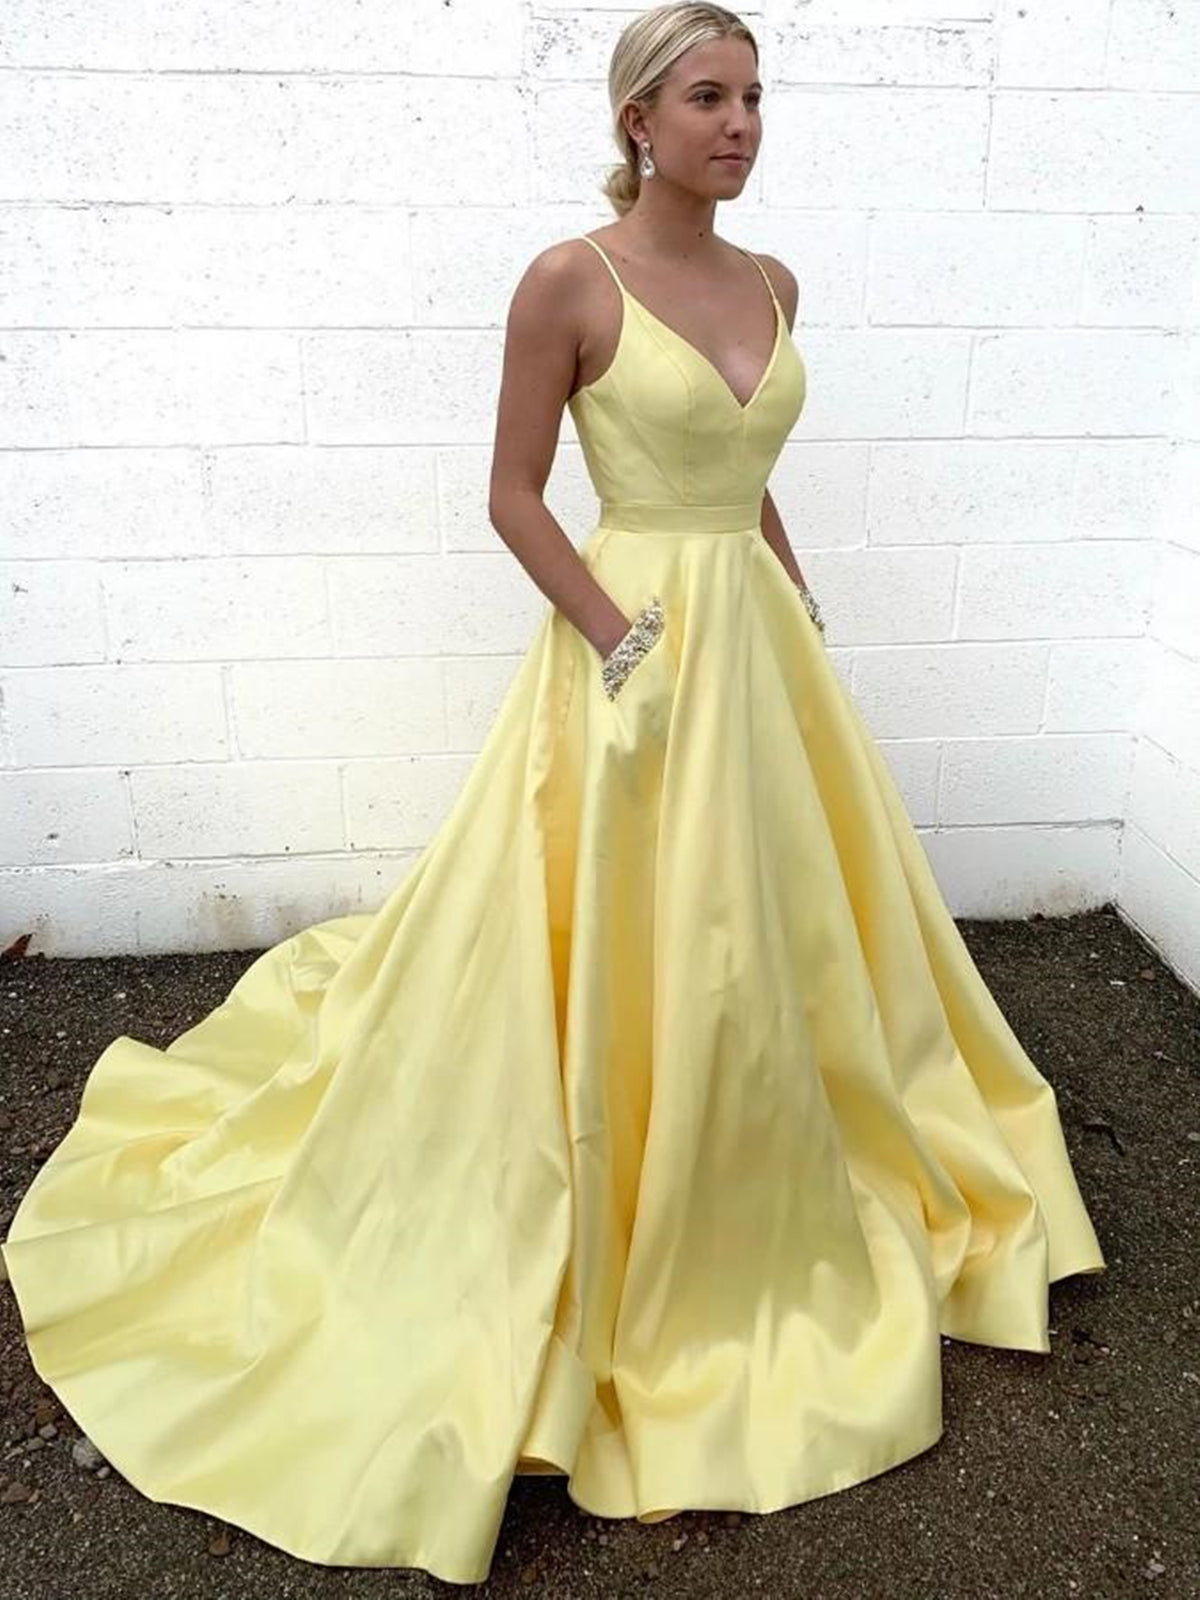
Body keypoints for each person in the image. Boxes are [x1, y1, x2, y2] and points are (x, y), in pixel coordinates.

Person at [0, 2, 1105, 1586]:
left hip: (757, 651)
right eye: (707, 97)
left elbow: (748, 469)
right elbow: (514, 495)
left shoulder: (776, 284)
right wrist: (616, 640)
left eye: (755, 97)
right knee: (642, 917)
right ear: (638, 119)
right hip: (632, 650)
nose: (741, 124)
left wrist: (796, 596)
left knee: (776, 920)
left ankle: (762, 1148)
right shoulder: (568, 283)